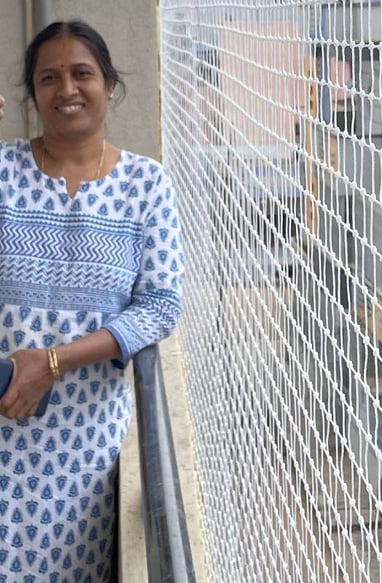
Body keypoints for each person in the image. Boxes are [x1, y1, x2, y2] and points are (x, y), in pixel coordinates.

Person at [0, 20, 183, 581]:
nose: (67, 89)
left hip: (81, 453)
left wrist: (53, 362)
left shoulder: (145, 184)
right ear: (33, 94)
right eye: (49, 77)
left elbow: (159, 304)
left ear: (109, 84)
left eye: (82, 73)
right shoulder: (2, 172)